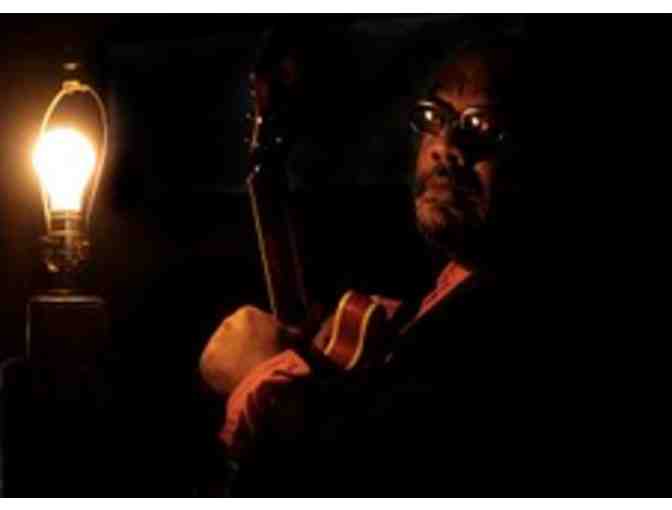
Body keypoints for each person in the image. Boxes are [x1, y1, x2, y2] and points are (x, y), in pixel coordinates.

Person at [199, 38, 540, 494]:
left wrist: (259, 377)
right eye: (435, 117)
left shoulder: (508, 316)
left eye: (482, 126)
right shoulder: (438, 294)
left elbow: (364, 470)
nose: (445, 145)